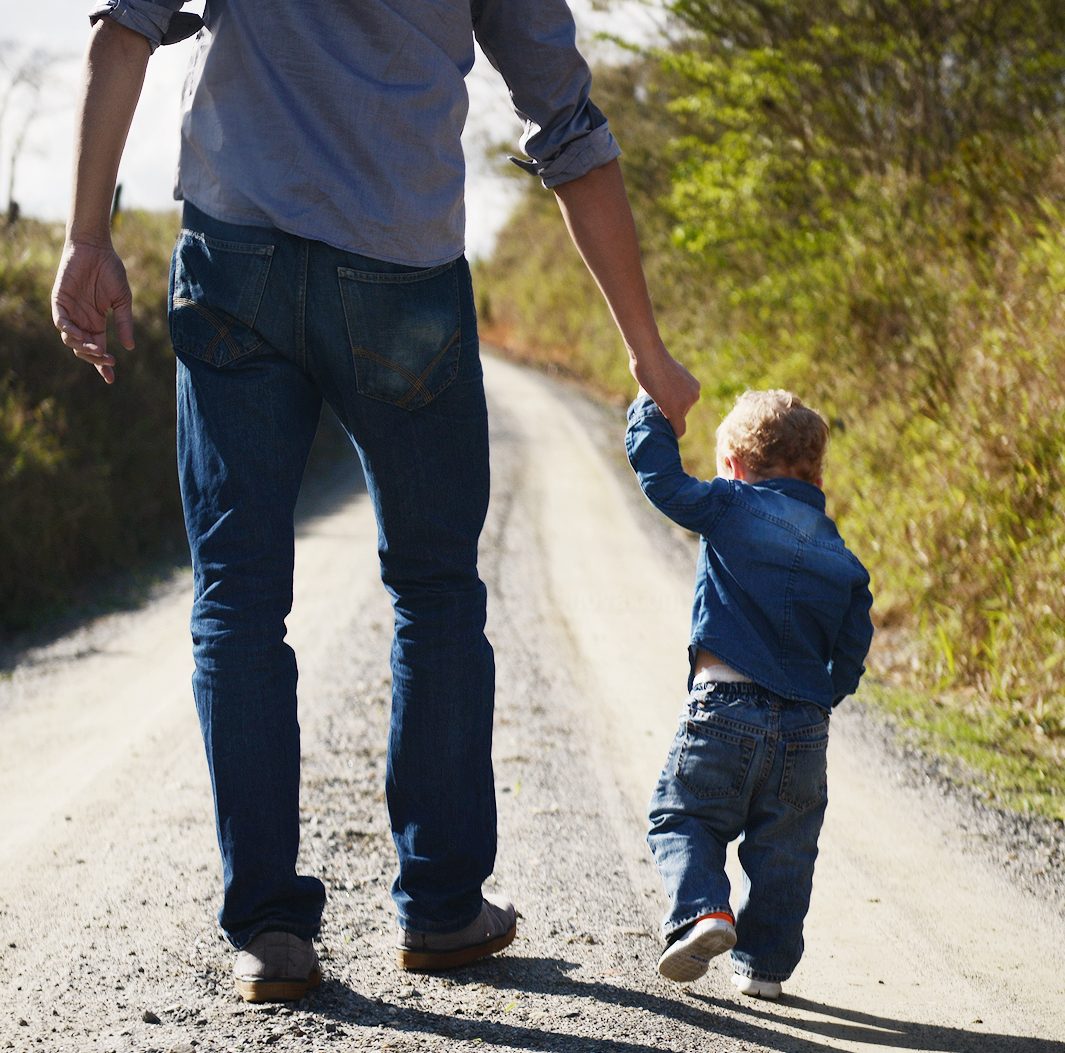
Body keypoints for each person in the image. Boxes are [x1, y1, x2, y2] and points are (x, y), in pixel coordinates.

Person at [52, 1, 699, 1001]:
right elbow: (566, 127)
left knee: (237, 594)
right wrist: (644, 350)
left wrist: (87, 236)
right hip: (400, 276)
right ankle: (441, 908)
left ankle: (267, 930)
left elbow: (123, 29)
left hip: (235, 258)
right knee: (436, 590)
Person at [625, 389, 873, 1000]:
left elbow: (662, 481)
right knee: (784, 853)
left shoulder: (730, 504)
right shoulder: (842, 559)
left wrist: (649, 410)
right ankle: (764, 969)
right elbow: (852, 648)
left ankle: (704, 911)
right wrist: (817, 701)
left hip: (724, 707)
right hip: (804, 729)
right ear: (816, 472)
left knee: (682, 816)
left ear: (733, 466)